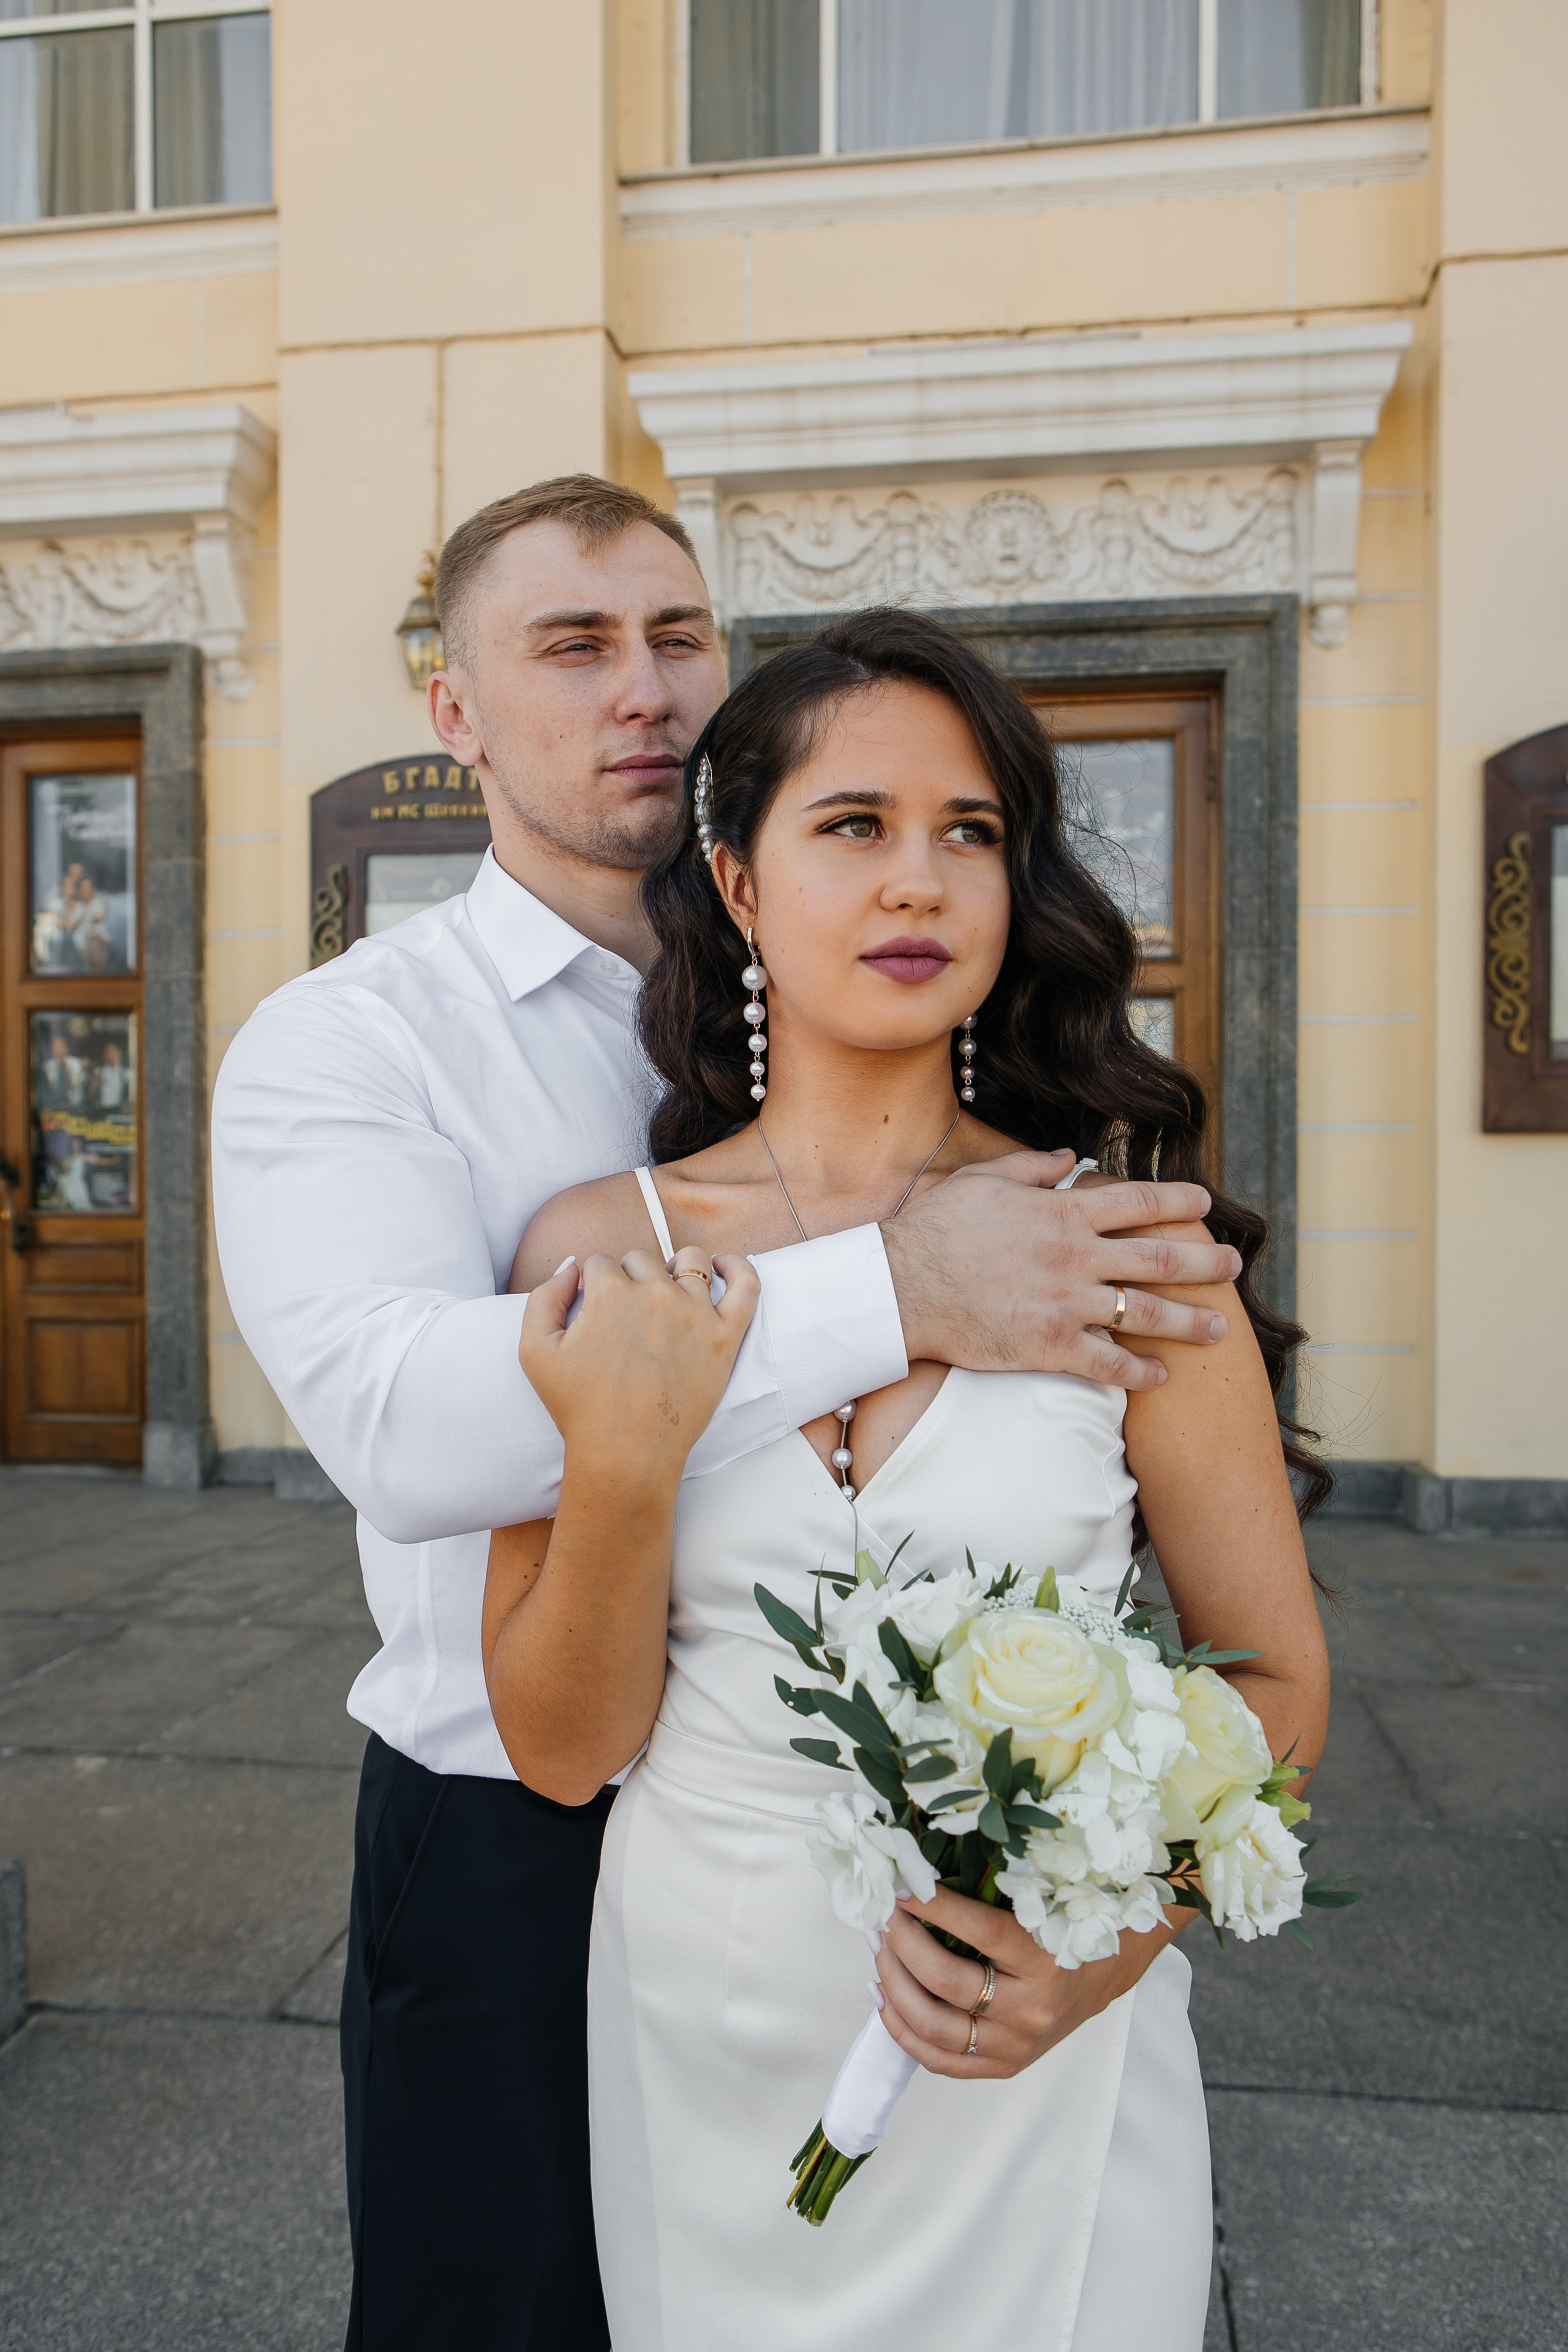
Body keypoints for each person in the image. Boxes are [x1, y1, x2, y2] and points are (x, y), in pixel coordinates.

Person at [211, 477, 1243, 2352]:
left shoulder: (866, 972)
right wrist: (898, 1291)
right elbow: (404, 1432)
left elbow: (1264, 1659)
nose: (646, 689)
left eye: (680, 637)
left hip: (921, 1863)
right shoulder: (354, 1041)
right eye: (574, 645)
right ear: (454, 714)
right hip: (521, 1824)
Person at [484, 609, 1332, 2350]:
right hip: (706, 2015)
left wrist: (1093, 1965)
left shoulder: (1126, 1256)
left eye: (972, 834)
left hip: (1028, 2051)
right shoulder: (601, 1256)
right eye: (854, 827)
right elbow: (563, 1751)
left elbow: (1277, 1678)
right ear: (734, 881)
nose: (920, 883)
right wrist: (629, 1462)